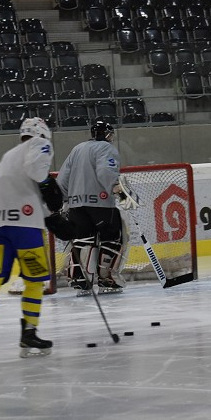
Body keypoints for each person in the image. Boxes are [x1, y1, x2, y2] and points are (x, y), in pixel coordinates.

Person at [0, 117, 57, 359]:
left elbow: (22, 188)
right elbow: (37, 172)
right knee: (35, 279)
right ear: (43, 134)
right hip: (24, 225)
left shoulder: (8, 157)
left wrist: (48, 213)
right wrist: (49, 183)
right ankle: (29, 332)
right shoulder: (39, 144)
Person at [55, 119, 129, 293]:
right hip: (101, 204)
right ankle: (107, 278)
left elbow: (62, 178)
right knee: (113, 237)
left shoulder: (77, 149)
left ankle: (80, 279)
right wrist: (116, 188)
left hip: (76, 206)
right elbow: (106, 171)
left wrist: (62, 201)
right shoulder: (107, 148)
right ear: (107, 134)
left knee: (83, 239)